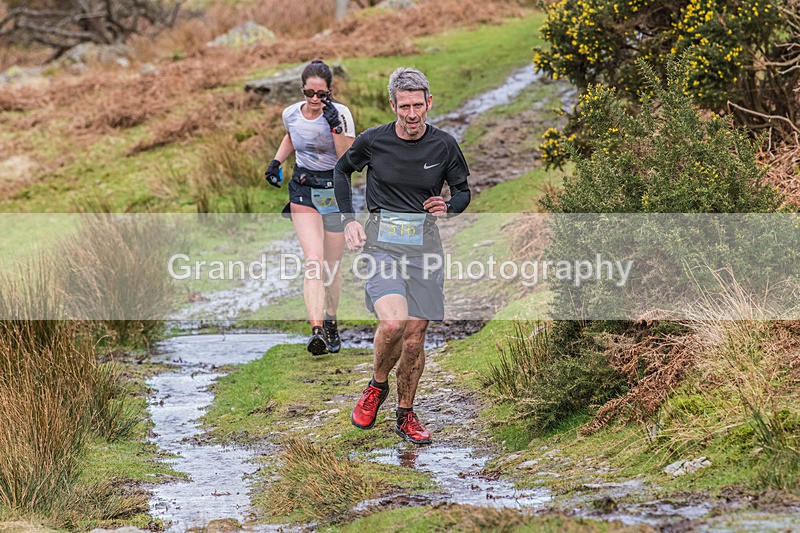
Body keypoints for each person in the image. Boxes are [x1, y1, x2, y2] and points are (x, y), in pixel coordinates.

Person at [333, 67, 471, 444]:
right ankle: (377, 386)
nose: (412, 115)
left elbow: (463, 192)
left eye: (418, 106)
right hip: (381, 248)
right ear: (393, 105)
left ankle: (406, 413)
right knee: (393, 324)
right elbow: (341, 171)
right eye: (404, 107)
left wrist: (450, 206)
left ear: (429, 103)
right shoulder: (373, 141)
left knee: (414, 336)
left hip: (425, 251)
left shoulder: (444, 145)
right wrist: (349, 221)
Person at [265, 59, 356, 355]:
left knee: (332, 266)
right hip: (303, 189)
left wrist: (334, 126)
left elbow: (348, 159)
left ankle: (331, 318)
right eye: (310, 93)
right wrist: (276, 161)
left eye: (321, 94)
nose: (315, 100)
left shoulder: (341, 114)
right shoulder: (290, 113)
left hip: (334, 190)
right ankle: (316, 330)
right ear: (302, 89)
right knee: (313, 260)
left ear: (330, 92)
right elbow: (292, 135)